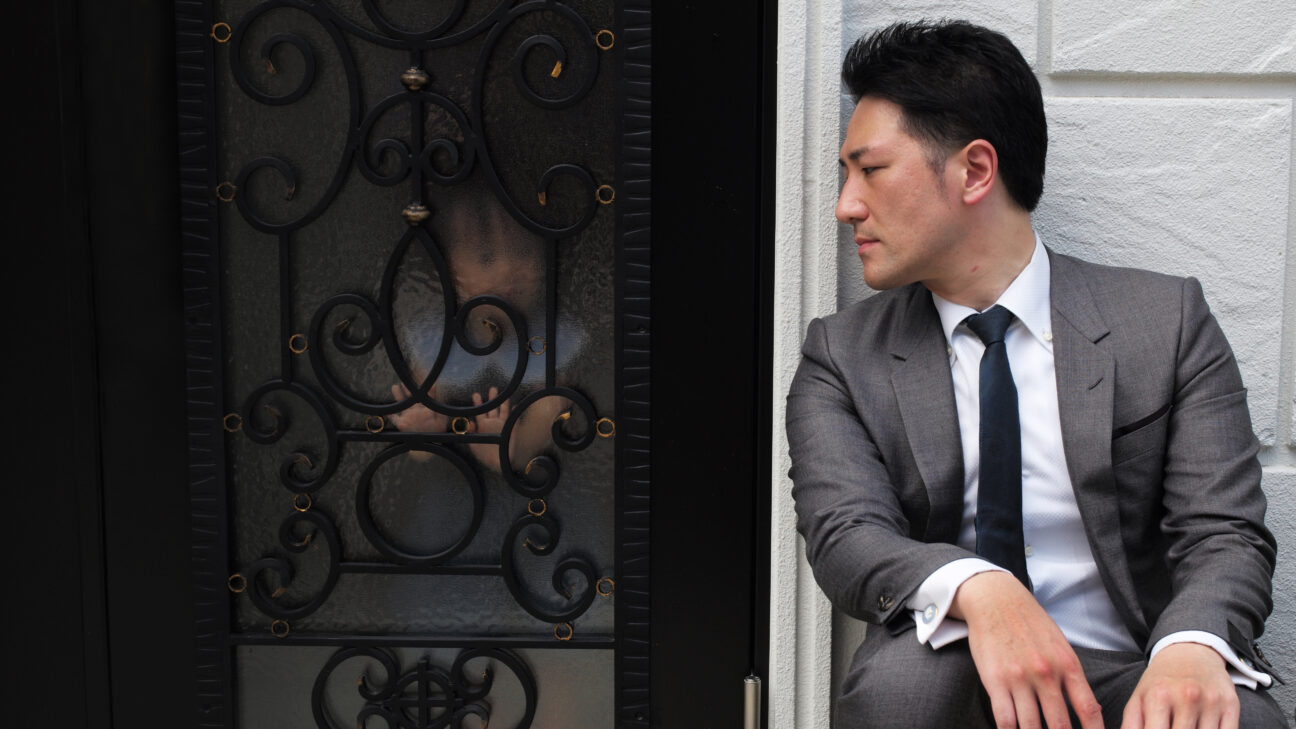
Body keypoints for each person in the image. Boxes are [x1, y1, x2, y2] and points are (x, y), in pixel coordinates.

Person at [786, 19, 1287, 729]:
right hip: (951, 664)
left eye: (870, 170)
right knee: (899, 689)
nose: (846, 206)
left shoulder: (1167, 322)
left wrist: (1191, 644)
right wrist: (982, 588)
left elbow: (1223, 533)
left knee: (1238, 717)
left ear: (975, 171)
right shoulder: (841, 355)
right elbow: (846, 534)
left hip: (1130, 672)